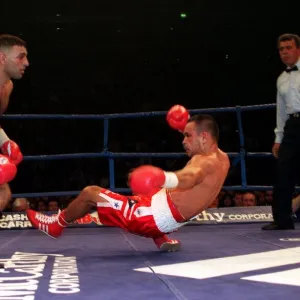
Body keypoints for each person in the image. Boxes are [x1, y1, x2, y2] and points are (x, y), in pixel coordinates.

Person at [26, 105, 230, 252]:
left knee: (90, 193)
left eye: (187, 136)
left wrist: (162, 177)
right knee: (144, 192)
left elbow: (190, 177)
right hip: (169, 216)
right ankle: (161, 237)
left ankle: (57, 225)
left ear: (204, 137)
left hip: (151, 218)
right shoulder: (222, 158)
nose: (183, 140)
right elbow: (199, 180)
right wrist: (182, 127)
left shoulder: (204, 163)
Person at [262, 33, 300, 230]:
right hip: (293, 126)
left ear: (298, 49)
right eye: (281, 49)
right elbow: (281, 111)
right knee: (283, 171)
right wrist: (278, 138)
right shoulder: (281, 79)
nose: (285, 52)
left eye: (289, 47)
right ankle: (282, 219)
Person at [0, 34, 29, 218]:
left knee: (3, 193)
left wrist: (5, 142)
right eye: (20, 57)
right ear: (2, 58)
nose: (26, 63)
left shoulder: (7, 86)